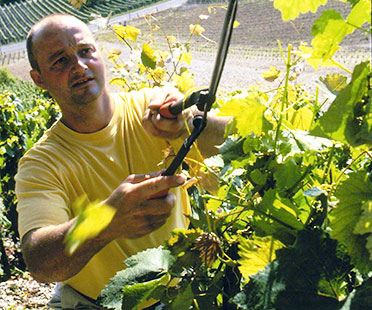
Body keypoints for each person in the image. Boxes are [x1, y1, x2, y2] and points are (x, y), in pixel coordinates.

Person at [15, 14, 229, 309]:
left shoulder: (153, 108)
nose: (79, 65)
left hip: (179, 294)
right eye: (60, 61)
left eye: (85, 51)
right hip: (92, 304)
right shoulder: (41, 162)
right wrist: (106, 222)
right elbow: (39, 262)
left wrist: (187, 127)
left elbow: (232, 141)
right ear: (39, 79)